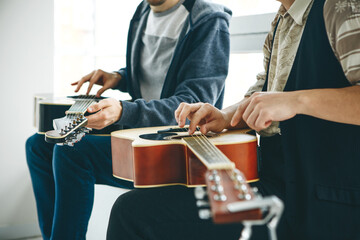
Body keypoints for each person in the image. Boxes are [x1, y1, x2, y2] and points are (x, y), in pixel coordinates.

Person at [106, 0, 360, 239]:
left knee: (133, 213)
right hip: (275, 181)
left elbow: (288, 99)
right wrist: (225, 116)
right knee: (139, 204)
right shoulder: (283, 18)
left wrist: (296, 100)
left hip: (322, 199)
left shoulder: (341, 7)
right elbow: (264, 93)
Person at [25, 0, 232, 239]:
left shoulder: (209, 20)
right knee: (38, 145)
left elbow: (194, 103)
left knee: (71, 150)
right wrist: (119, 77)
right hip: (137, 131)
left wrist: (124, 110)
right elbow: (156, 72)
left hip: (174, 146)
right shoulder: (145, 9)